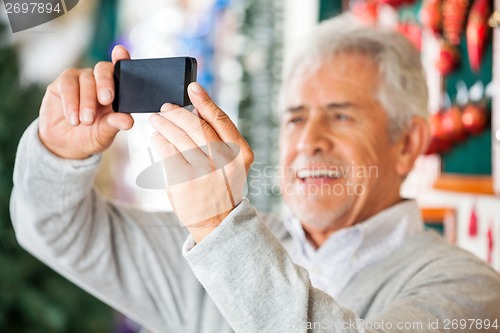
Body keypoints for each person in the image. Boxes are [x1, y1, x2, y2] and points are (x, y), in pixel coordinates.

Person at [10, 13, 500, 332]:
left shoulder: (470, 292)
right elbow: (53, 229)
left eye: (341, 114)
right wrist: (58, 151)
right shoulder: (207, 251)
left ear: (408, 143)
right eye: (295, 117)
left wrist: (219, 228)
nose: (309, 140)